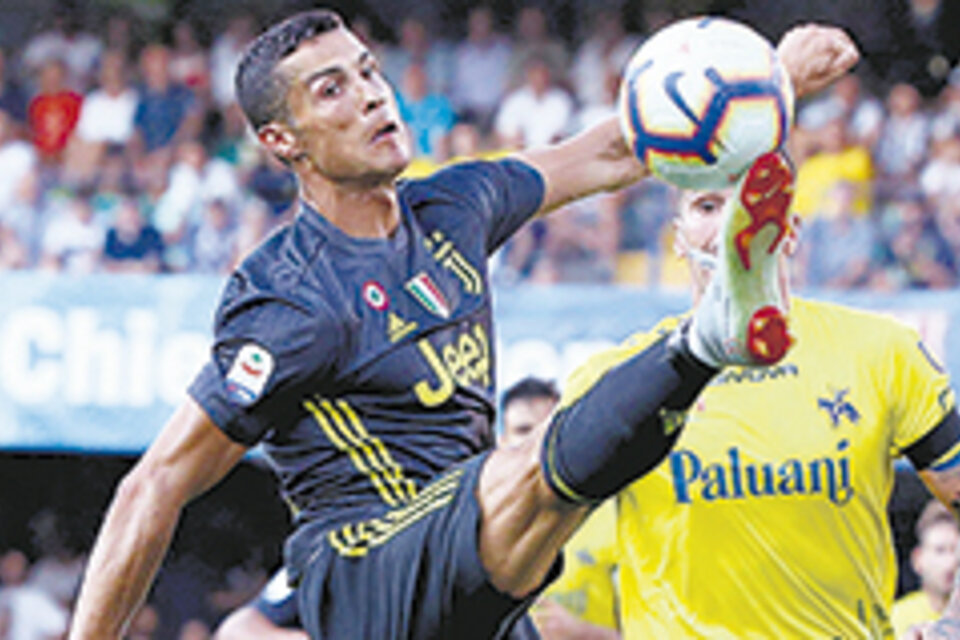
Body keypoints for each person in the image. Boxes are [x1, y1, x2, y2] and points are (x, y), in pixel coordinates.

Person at [67, 11, 856, 639]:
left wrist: (774, 78)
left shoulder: (457, 206)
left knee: (530, 492)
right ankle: (711, 335)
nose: (374, 95)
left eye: (370, 71)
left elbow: (620, 150)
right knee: (528, 466)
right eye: (333, 89)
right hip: (363, 566)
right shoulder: (288, 298)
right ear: (282, 140)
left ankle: (710, 331)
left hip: (475, 577)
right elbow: (156, 482)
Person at [588, 137, 960, 637]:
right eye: (706, 206)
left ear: (790, 229)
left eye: (751, 201)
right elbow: (525, 536)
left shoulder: (881, 351)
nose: (730, 225)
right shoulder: (617, 377)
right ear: (677, 238)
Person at [498, 378, 620, 640]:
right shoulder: (476, 531)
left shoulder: (614, 518)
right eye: (523, 430)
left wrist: (582, 634)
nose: (535, 443)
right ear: (501, 441)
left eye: (547, 430)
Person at [892, 501, 960, 638]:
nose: (951, 562)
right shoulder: (897, 617)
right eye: (940, 551)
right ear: (918, 559)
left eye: (955, 551)